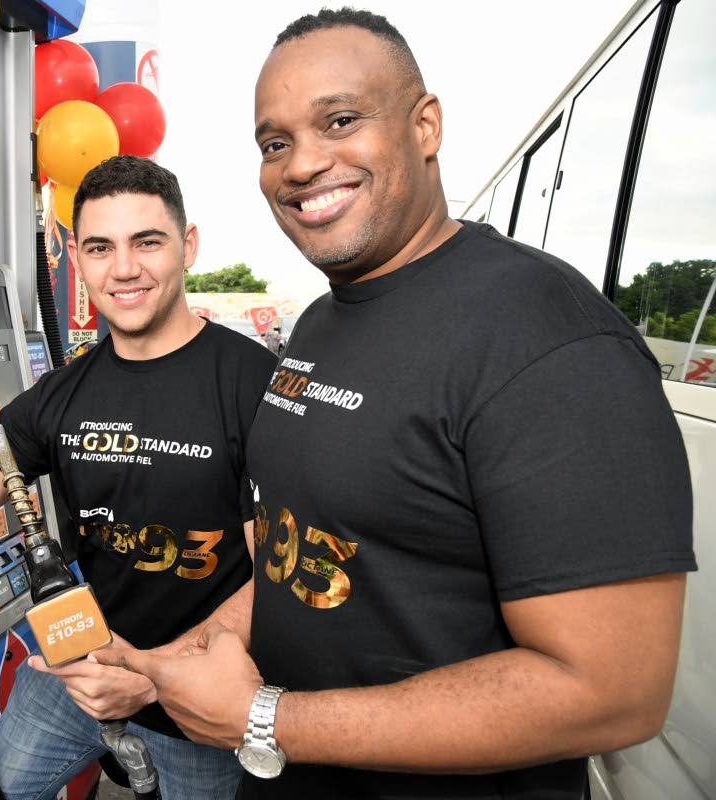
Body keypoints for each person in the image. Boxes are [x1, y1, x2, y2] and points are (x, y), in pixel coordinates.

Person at [94, 9, 696, 800]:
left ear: (425, 125)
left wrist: (269, 721)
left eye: (339, 121)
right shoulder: (322, 318)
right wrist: (194, 652)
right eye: (274, 143)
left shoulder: (547, 339)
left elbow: (611, 691)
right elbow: (307, 549)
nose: (302, 164)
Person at [0, 156, 278, 799]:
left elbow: (277, 577)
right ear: (77, 256)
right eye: (101, 247)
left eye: (147, 242)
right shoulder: (61, 396)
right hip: (78, 669)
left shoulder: (253, 385)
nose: (123, 269)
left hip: (204, 691)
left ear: (187, 246)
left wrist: (157, 673)